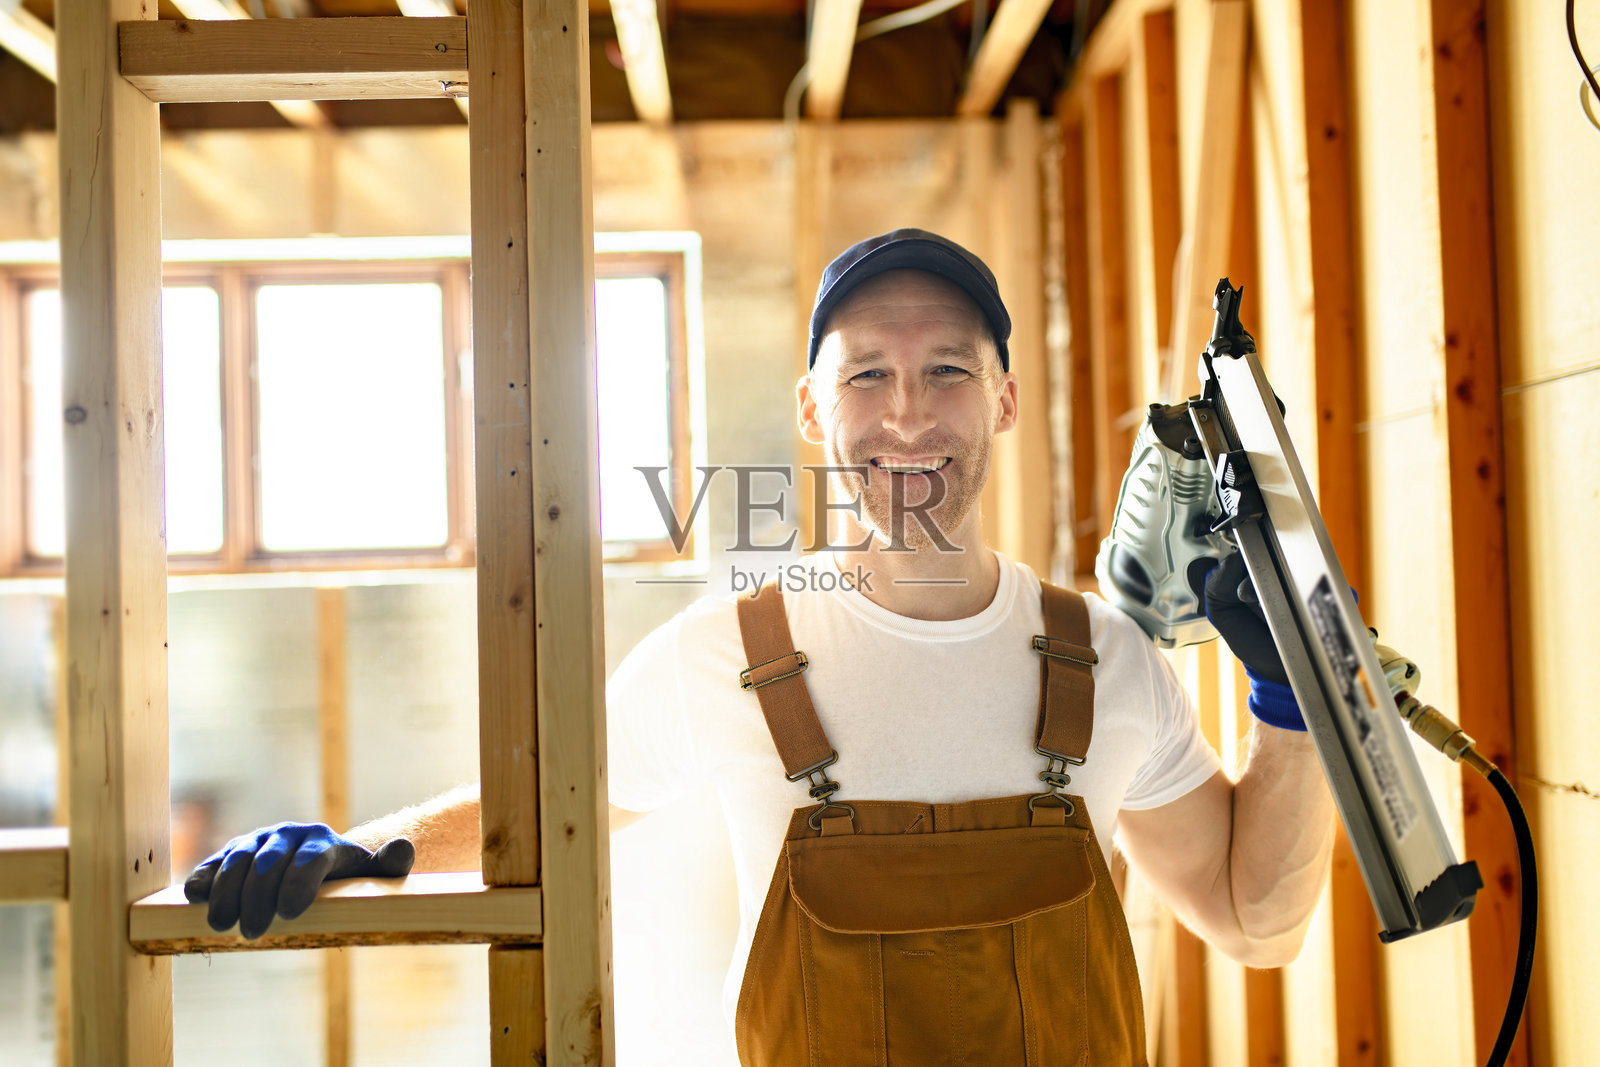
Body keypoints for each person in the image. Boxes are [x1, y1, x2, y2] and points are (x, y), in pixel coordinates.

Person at [186, 229, 1335, 1063]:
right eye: (866, 375)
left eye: (947, 369)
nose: (905, 414)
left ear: (1003, 400)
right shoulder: (726, 654)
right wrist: (352, 846)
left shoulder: (1108, 658)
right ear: (809, 406)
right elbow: (534, 813)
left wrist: (1293, 700)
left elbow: (1257, 921)